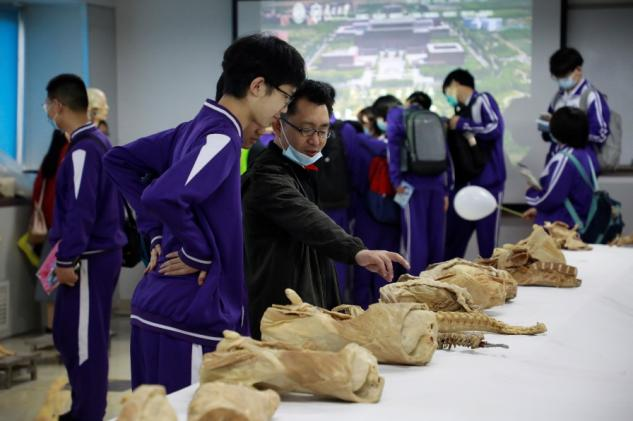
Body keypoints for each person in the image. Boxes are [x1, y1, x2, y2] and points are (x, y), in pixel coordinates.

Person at [103, 34, 306, 393]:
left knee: (153, 414)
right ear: (258, 86)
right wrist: (197, 249)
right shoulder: (222, 137)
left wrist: (155, 233)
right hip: (189, 317)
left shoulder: (193, 129)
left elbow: (119, 161)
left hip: (160, 311)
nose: (283, 110)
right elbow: (163, 195)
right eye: (286, 97)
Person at [242, 80, 409, 338]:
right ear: (278, 126)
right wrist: (357, 251)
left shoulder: (301, 170)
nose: (316, 141)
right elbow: (307, 219)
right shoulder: (267, 176)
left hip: (305, 311)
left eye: (323, 131)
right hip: (281, 318)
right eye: (306, 130)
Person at [44, 73, 125, 421]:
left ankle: (88, 413)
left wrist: (67, 260)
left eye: (48, 105)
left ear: (58, 105)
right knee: (70, 333)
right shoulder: (96, 143)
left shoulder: (83, 150)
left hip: (88, 260)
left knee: (84, 340)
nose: (48, 111)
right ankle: (82, 408)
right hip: (95, 256)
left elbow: (81, 210)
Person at [442, 68, 506, 260]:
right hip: (463, 186)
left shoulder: (482, 100)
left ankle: (491, 279)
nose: (449, 97)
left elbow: (495, 127)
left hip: (488, 183)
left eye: (447, 91)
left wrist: (462, 124)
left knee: (488, 249)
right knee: (452, 243)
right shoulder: (460, 111)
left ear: (455, 84)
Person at [385, 92, 449, 274]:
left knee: (414, 238)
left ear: (409, 101)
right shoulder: (436, 120)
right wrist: (446, 191)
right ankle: (436, 281)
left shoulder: (399, 116)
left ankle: (414, 282)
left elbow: (392, 150)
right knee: (436, 238)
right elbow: (447, 158)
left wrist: (396, 180)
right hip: (437, 184)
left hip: (410, 184)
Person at [540, 48, 610, 169]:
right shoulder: (558, 97)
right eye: (557, 77)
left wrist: (569, 134)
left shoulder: (591, 96)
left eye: (564, 76)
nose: (561, 80)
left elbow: (600, 133)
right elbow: (549, 127)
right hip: (556, 158)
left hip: (579, 161)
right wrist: (546, 128)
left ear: (578, 70)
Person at [524, 107, 595, 226]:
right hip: (576, 221)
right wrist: (538, 211)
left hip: (561, 227)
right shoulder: (585, 154)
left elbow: (551, 198)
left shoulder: (564, 159)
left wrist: (530, 193)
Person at [32, 129, 69, 333]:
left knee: (49, 281)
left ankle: (50, 327)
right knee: (66, 281)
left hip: (50, 229)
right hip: (67, 230)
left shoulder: (49, 161)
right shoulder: (71, 154)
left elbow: (37, 192)